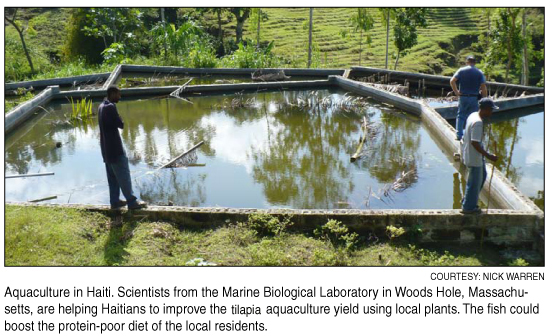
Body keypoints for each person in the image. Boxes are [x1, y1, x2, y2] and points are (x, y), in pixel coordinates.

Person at [98, 86, 147, 210]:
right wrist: (118, 114)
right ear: (113, 93)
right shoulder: (110, 107)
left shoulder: (101, 106)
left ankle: (114, 201)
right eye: (118, 94)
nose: (120, 97)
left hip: (106, 150)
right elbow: (121, 125)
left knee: (112, 178)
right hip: (115, 150)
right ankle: (132, 202)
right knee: (124, 176)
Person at [461, 98, 499, 214]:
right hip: (474, 158)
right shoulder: (478, 123)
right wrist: (489, 156)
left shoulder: (473, 115)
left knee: (482, 176)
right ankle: (468, 208)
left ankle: (467, 200)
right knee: (474, 183)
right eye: (491, 110)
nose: (491, 113)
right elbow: (475, 142)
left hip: (472, 155)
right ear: (486, 109)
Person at [450, 55, 488, 140]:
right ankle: (470, 136)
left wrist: (456, 92)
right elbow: (483, 87)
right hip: (474, 98)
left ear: (467, 62)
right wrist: (484, 98)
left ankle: (459, 135)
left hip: (463, 97)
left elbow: (452, 81)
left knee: (461, 116)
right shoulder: (479, 72)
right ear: (474, 63)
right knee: (473, 117)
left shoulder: (461, 70)